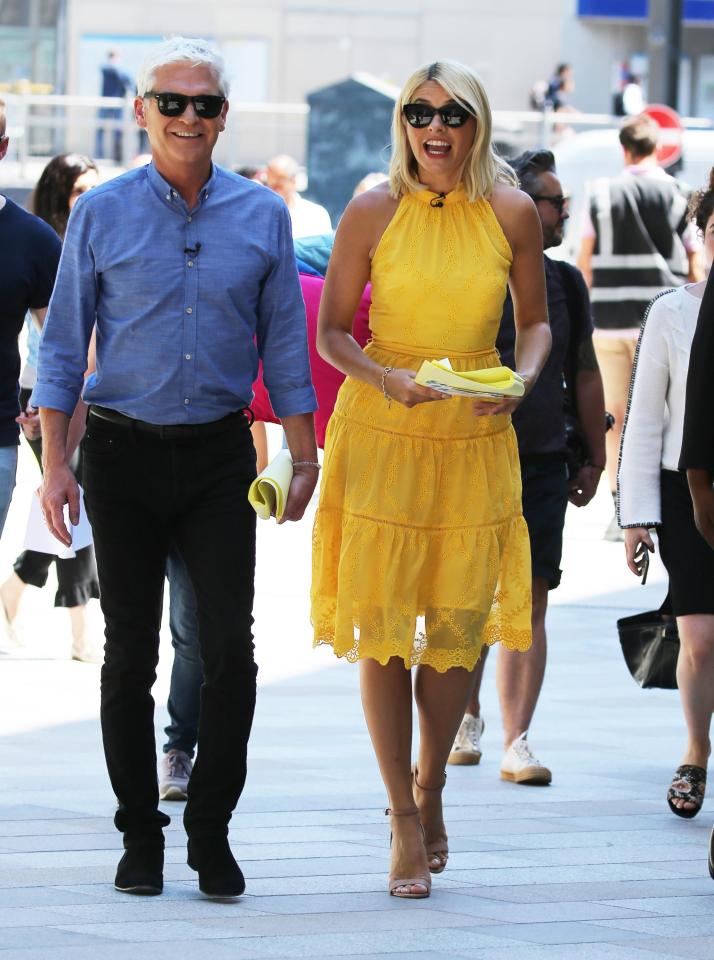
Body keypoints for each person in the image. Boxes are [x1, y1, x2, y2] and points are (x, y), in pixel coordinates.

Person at [32, 36, 318, 900]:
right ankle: (139, 836)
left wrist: (305, 454)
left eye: (205, 104)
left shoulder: (262, 215)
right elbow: (61, 347)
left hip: (219, 457)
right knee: (131, 657)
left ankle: (211, 831)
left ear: (224, 116)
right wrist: (55, 466)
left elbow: (285, 348)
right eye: (172, 102)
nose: (188, 117)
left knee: (232, 648)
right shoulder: (102, 211)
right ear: (142, 110)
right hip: (119, 453)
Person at [311, 60, 551, 899]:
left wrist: (520, 380)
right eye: (419, 112)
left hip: (475, 430)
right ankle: (402, 819)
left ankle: (433, 784)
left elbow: (538, 324)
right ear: (404, 122)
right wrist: (384, 380)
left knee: (454, 629)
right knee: (381, 633)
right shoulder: (373, 206)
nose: (434, 127)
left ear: (477, 124)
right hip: (385, 428)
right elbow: (334, 333)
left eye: (452, 114)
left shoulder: (512, 211)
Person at [449, 150, 606, 782]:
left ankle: (519, 739)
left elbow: (586, 372)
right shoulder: (467, 274)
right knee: (463, 599)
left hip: (540, 460)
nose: (562, 213)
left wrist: (596, 456)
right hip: (467, 456)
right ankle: (465, 718)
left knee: (528, 600)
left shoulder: (564, 281)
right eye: (553, 203)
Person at [619, 169, 714, 822]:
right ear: (701, 237)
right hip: (690, 491)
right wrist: (636, 518)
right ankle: (695, 750)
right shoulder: (673, 312)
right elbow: (645, 420)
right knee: (701, 638)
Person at [578, 113, 701, 541]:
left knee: (616, 414)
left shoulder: (600, 193)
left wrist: (583, 312)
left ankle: (622, 506)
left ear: (624, 149)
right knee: (658, 413)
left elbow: (586, 258)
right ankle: (651, 502)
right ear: (657, 149)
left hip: (608, 321)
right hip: (663, 320)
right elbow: (693, 261)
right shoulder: (678, 194)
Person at [0, 154, 101, 661]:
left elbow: (75, 339)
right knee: (65, 500)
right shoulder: (49, 241)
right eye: (79, 186)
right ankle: (76, 624)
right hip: (41, 396)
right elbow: (54, 342)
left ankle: (21, 595)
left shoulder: (64, 237)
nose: (88, 194)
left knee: (64, 500)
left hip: (73, 397)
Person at [0, 100, 61, 560]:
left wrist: (47, 399)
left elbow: (60, 338)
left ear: (2, 148)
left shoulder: (33, 240)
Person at [266, 154, 332, 238]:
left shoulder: (316, 215)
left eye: (280, 178)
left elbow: (323, 249)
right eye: (270, 179)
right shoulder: (259, 213)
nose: (273, 184)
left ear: (293, 180)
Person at [95, 51, 134, 162]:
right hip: (105, 102)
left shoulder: (120, 70)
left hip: (118, 104)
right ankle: (99, 155)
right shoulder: (106, 69)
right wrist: (115, 66)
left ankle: (117, 157)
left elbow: (129, 82)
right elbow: (111, 71)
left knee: (118, 129)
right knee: (100, 129)